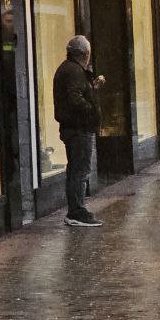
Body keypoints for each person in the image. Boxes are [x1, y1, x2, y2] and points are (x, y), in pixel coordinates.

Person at [53, 35, 104, 227]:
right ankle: (76, 211)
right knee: (80, 169)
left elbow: (75, 93)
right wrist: (91, 111)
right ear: (85, 54)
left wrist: (91, 87)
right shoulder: (73, 71)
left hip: (75, 127)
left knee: (77, 168)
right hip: (79, 128)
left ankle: (77, 209)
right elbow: (74, 98)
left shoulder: (70, 70)